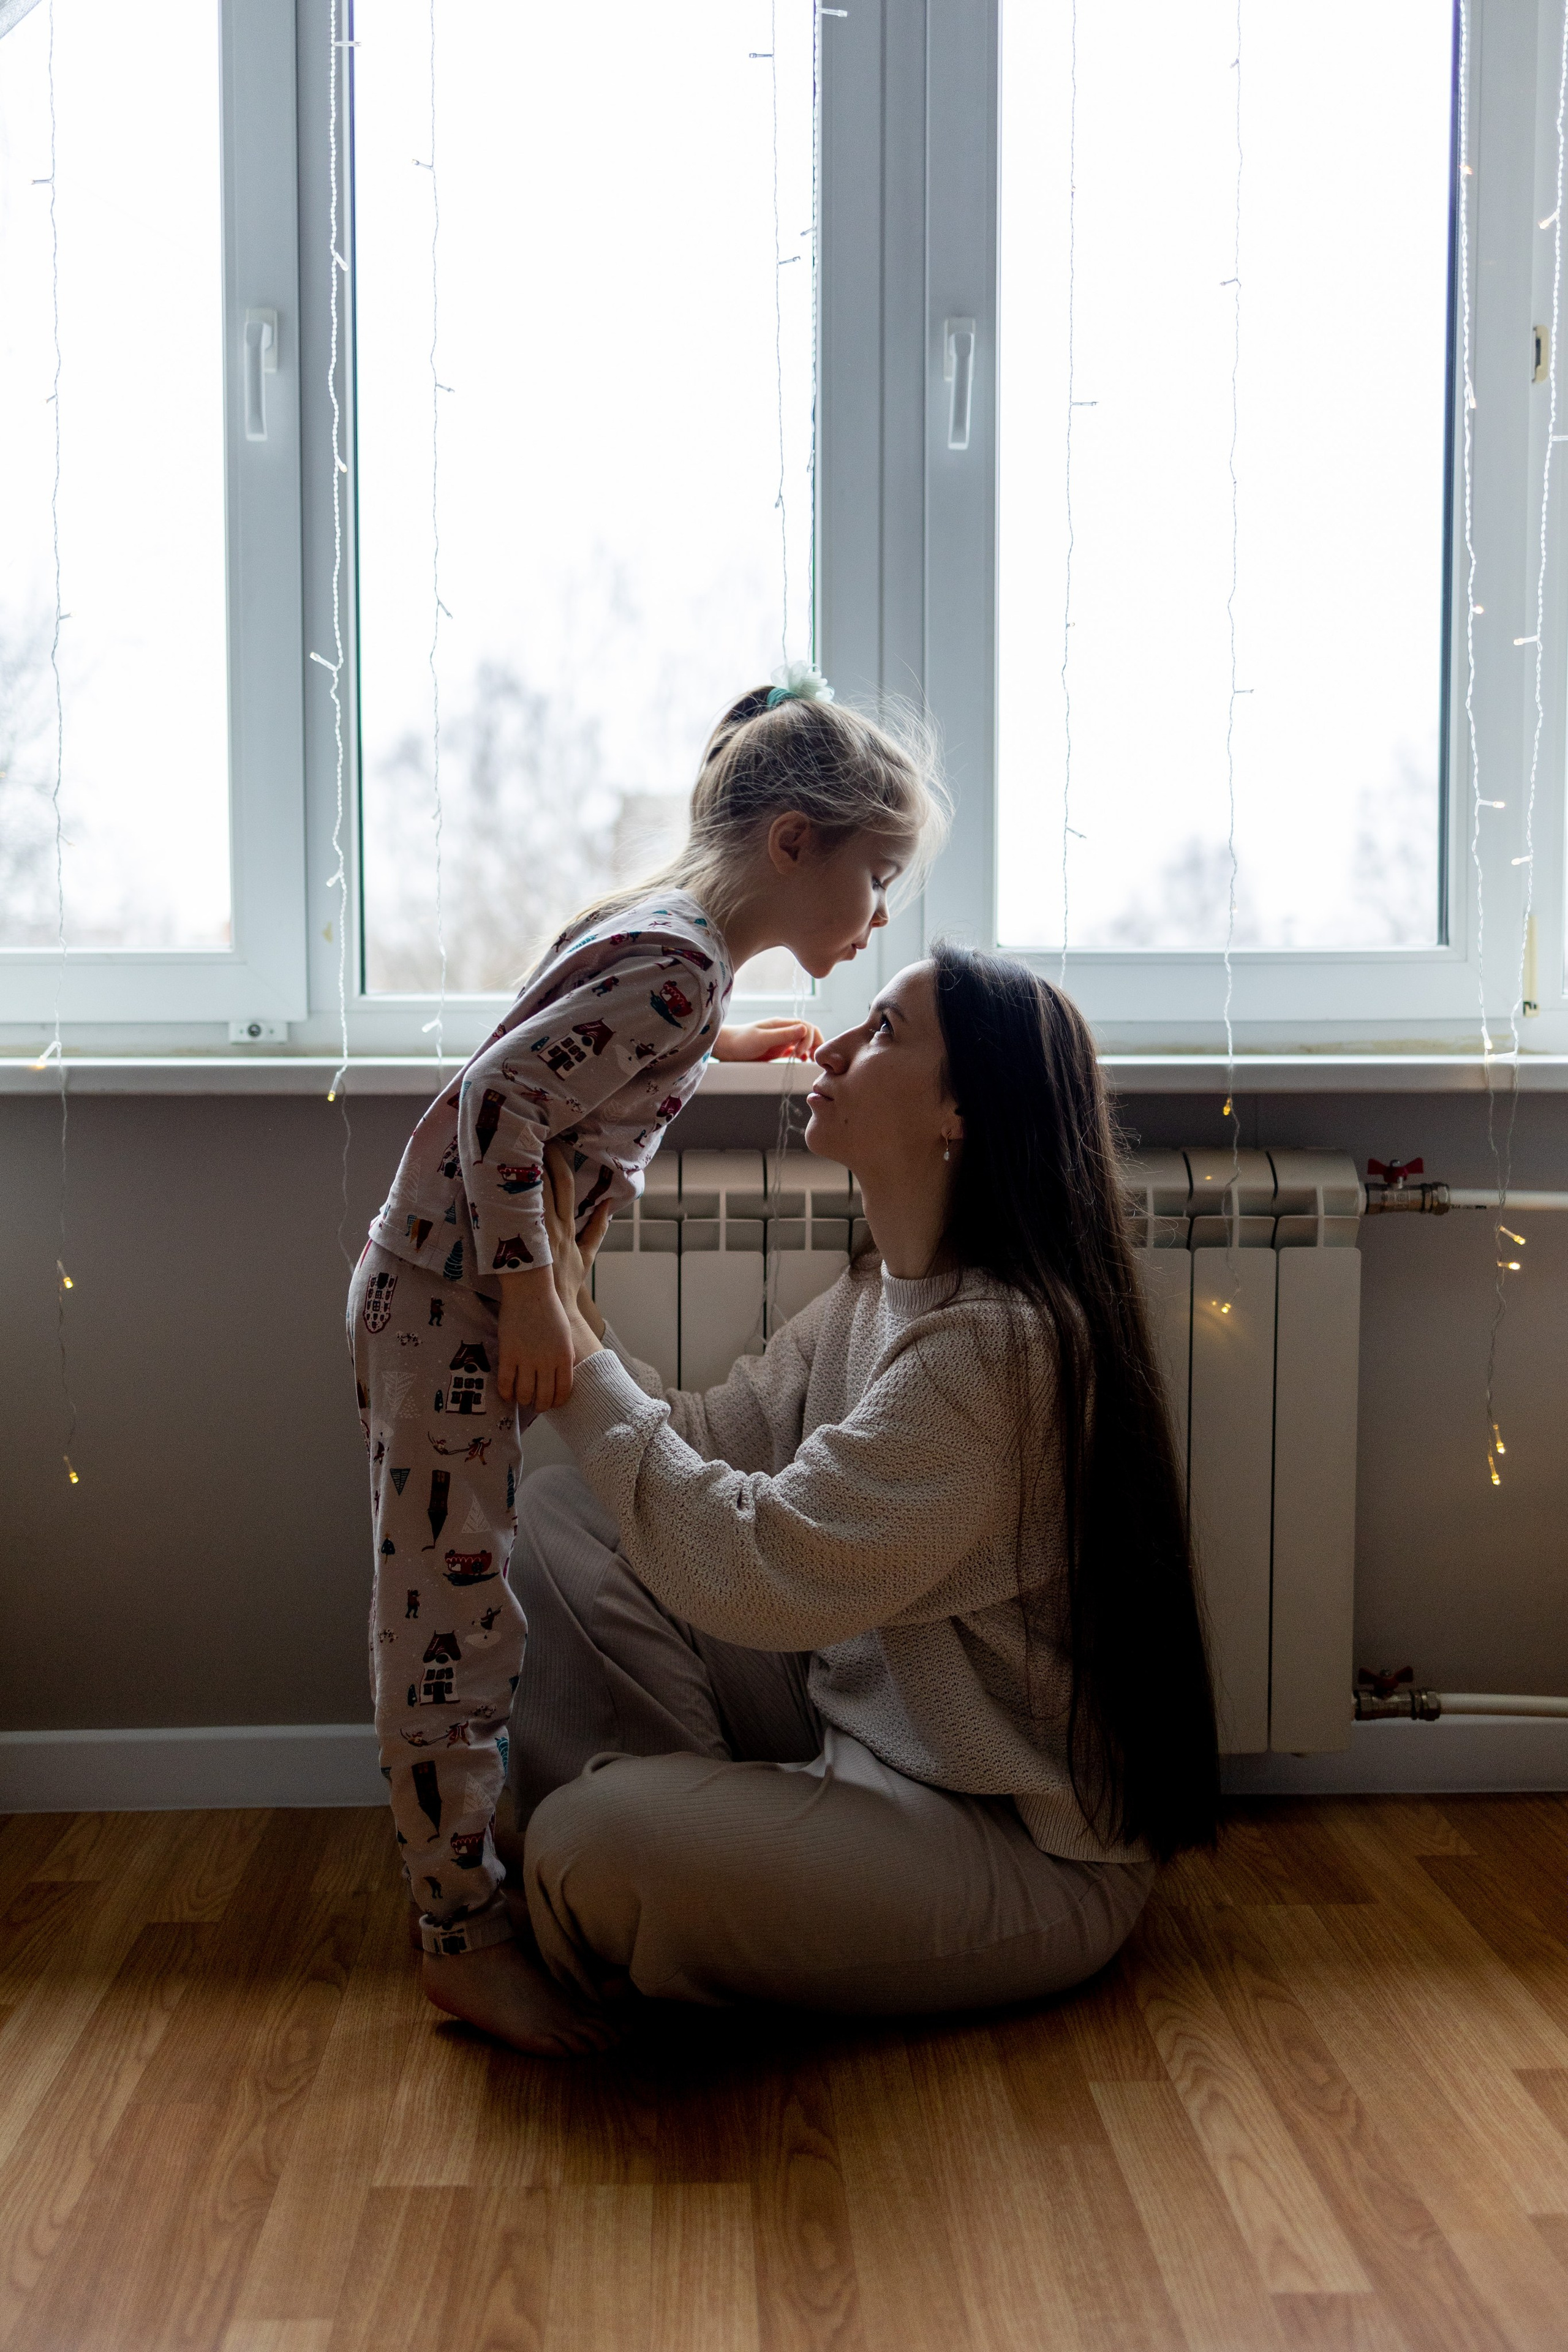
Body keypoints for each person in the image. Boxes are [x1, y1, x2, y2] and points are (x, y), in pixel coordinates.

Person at [347, 666, 949, 2051]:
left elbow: (561, 1048)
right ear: (793, 841)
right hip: (451, 1298)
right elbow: (496, 1097)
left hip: (433, 1288)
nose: (874, 920)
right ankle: (460, 1938)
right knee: (448, 1629)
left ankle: (472, 1905)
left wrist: (716, 1040)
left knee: (466, 1601)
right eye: (876, 879)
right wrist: (529, 1299)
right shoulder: (675, 967)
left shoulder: (672, 955)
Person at [500, 943, 1220, 2030]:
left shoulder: (997, 1352)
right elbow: (702, 1445)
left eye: (883, 1031)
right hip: (863, 1722)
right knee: (565, 1510)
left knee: (575, 1850)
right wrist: (577, 1312)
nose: (831, 1047)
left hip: (1001, 1838)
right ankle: (716, 1854)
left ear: (961, 1113)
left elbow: (754, 1564)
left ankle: (682, 1859)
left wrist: (568, 1356)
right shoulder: (879, 1293)